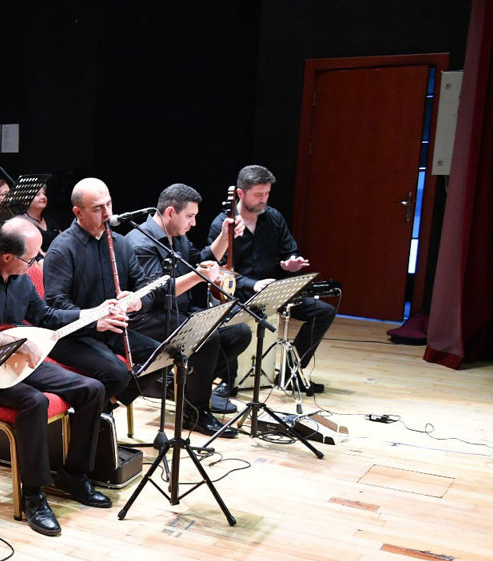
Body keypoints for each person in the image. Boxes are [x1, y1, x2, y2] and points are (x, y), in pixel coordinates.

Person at [44, 178, 233, 436]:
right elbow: (55, 305)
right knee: (117, 372)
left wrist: (137, 300)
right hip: (77, 333)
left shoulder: (120, 243)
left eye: (109, 204)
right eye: (98, 208)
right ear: (78, 212)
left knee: (164, 356)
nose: (108, 213)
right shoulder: (62, 248)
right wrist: (94, 319)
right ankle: (87, 415)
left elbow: (145, 285)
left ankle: (107, 406)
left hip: (114, 328)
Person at [0, 218, 110, 532]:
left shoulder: (22, 278)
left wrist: (92, 315)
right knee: (34, 402)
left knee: (91, 389)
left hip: (15, 362)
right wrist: (7, 341)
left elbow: (45, 316)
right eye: (32, 258)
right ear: (8, 257)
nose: (37, 263)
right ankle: (34, 494)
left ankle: (74, 475)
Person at [207, 164, 335, 395]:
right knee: (230, 320)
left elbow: (290, 250)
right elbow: (220, 269)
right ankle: (228, 377)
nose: (263, 199)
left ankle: (291, 372)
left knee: (323, 311)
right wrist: (251, 283)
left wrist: (292, 262)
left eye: (266, 194)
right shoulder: (222, 224)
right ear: (240, 193)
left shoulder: (273, 217)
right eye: (258, 194)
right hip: (240, 292)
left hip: (271, 291)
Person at [124, 183, 251, 415]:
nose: (193, 223)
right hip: (148, 319)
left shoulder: (177, 235)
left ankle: (190, 390)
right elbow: (157, 291)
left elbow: (199, 260)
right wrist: (198, 277)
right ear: (171, 212)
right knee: (208, 337)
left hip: (177, 311)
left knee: (239, 332)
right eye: (190, 216)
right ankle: (195, 411)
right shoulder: (140, 242)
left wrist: (225, 237)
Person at [24, 183, 59, 252]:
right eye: (37, 194)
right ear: (27, 200)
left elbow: (62, 240)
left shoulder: (50, 220)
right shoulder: (23, 223)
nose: (43, 196)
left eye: (44, 193)